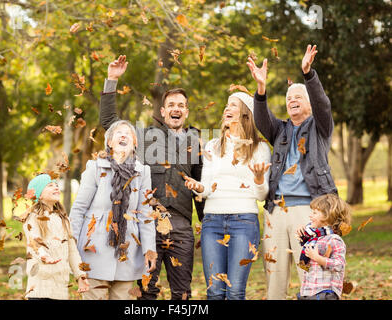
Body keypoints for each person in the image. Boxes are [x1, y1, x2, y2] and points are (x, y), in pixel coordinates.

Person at [99, 55, 205, 300]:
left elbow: (201, 189)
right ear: (163, 110)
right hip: (148, 225)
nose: (176, 109)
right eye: (171, 105)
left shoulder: (195, 143)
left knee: (182, 293)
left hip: (181, 226)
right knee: (147, 291)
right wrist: (112, 80)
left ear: (186, 111)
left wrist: (206, 223)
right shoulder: (145, 138)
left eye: (181, 105)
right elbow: (109, 123)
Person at [246, 44, 338, 299]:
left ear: (308, 102)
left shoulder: (320, 128)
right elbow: (262, 120)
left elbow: (323, 105)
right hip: (276, 211)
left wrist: (308, 75)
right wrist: (261, 90)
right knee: (274, 278)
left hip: (309, 211)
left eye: (298, 97)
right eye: (288, 99)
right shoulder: (281, 131)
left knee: (311, 277)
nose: (292, 101)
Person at [183, 91, 271, 300]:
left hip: (244, 222)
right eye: (226, 104)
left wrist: (258, 178)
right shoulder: (213, 146)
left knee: (234, 291)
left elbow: (262, 195)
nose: (226, 108)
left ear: (246, 114)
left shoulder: (259, 148)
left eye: (233, 105)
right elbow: (207, 188)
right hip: (212, 222)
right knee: (214, 291)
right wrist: (197, 187)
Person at [69, 120, 157, 300]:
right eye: (118, 132)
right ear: (109, 142)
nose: (123, 135)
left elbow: (146, 214)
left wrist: (149, 250)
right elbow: (78, 210)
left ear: (135, 143)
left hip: (127, 250)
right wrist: (71, 247)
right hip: (93, 249)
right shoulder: (95, 167)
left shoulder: (142, 172)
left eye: (128, 133)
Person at [22, 174, 89, 300]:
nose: (56, 187)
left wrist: (81, 276)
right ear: (39, 195)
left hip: (60, 289)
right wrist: (42, 253)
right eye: (50, 185)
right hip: (40, 287)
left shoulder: (64, 219)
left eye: (57, 185)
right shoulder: (32, 217)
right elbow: (34, 239)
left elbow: (72, 251)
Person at [296, 193, 352, 300]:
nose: (310, 215)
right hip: (309, 289)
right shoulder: (313, 238)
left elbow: (339, 265)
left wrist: (318, 258)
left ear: (327, 215)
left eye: (315, 213)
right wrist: (302, 235)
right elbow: (307, 264)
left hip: (325, 292)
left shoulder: (334, 240)